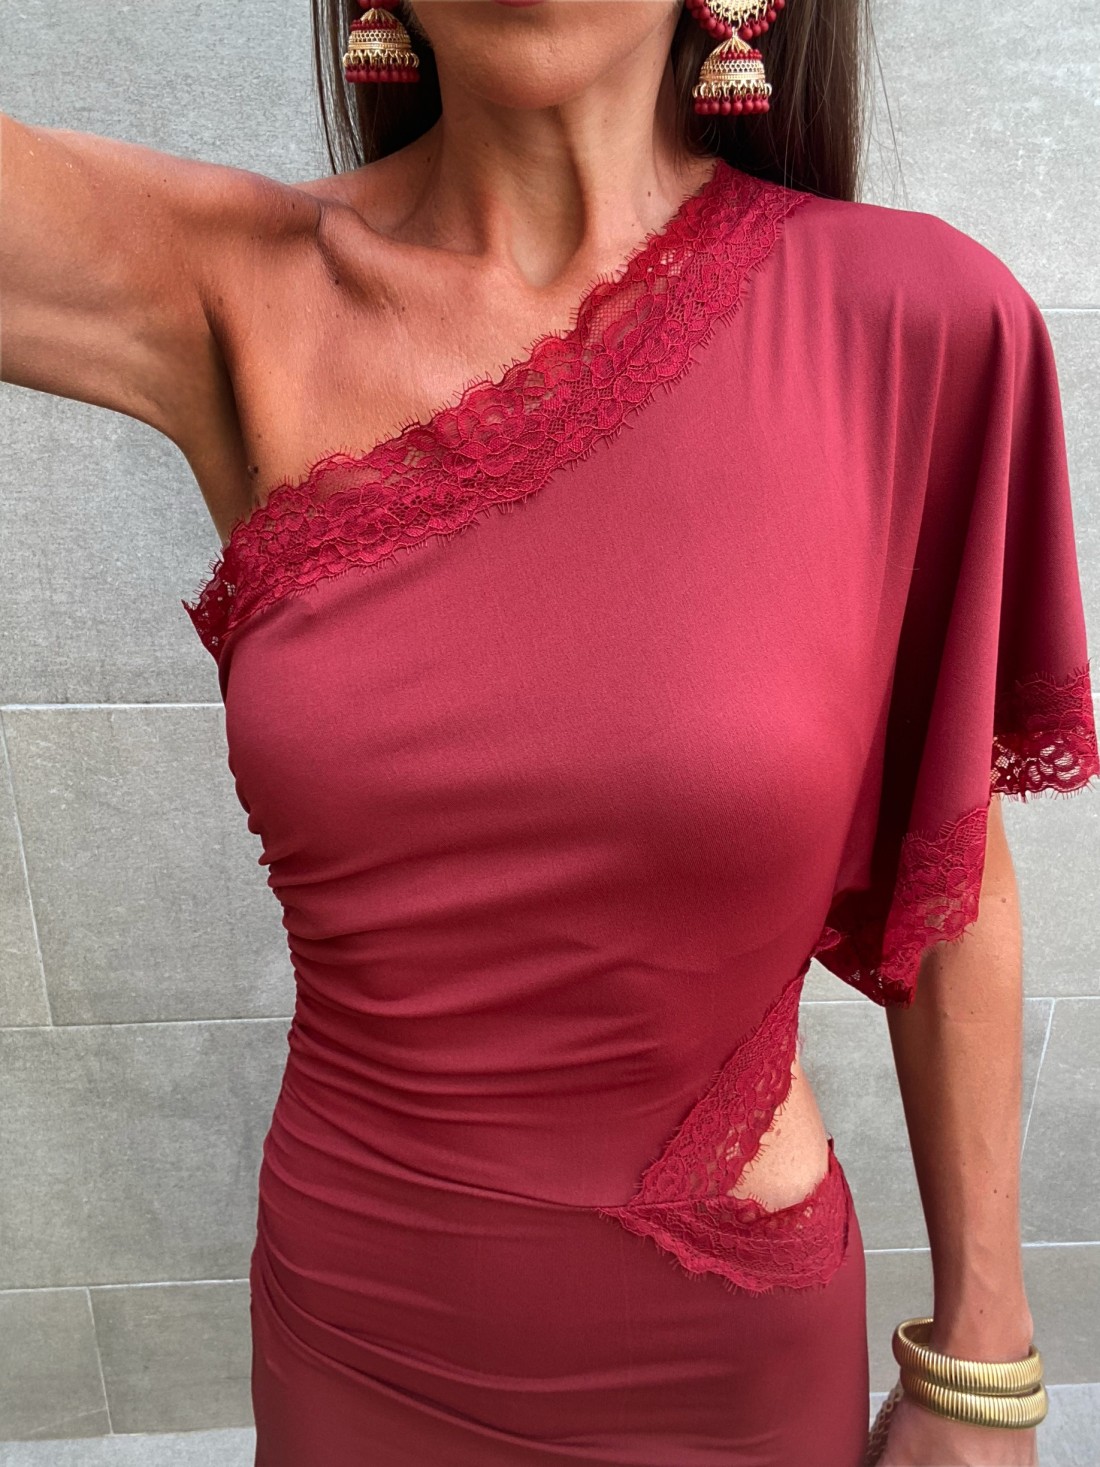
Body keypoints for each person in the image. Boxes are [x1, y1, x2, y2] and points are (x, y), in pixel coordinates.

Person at [3, 0, 1096, 1462]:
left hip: (722, 1355)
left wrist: (983, 1370)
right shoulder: (231, 285)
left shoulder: (916, 320)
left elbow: (950, 880)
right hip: (356, 1334)